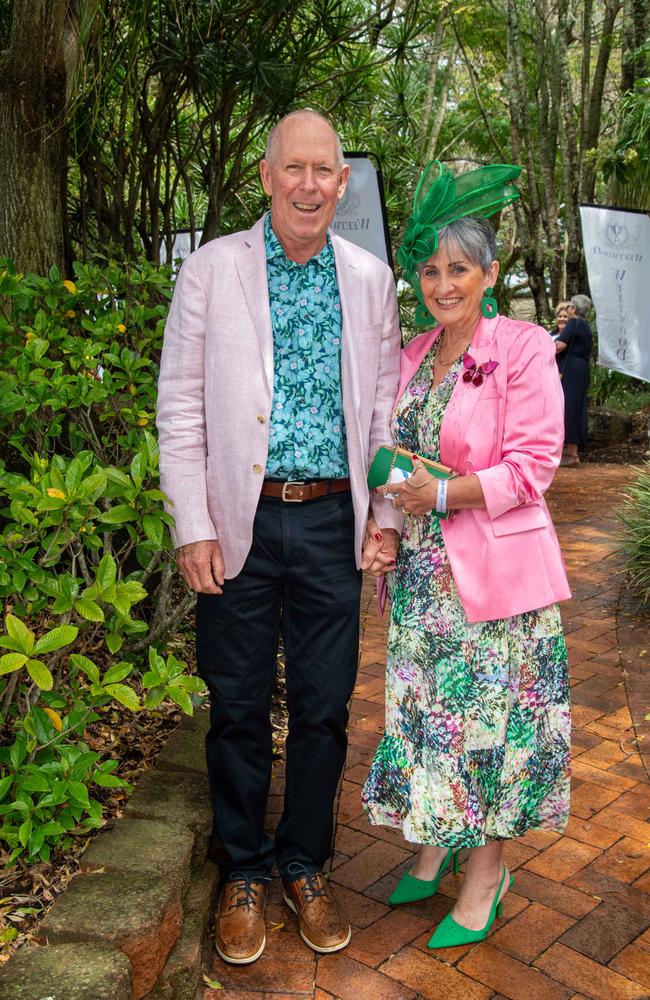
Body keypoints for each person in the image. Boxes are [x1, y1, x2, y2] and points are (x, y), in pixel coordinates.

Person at [156, 110, 401, 965]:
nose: (307, 185)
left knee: (328, 708)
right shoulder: (212, 270)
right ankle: (245, 871)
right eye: (291, 169)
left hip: (335, 518)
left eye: (322, 171)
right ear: (267, 178)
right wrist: (194, 524)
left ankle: (305, 864)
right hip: (241, 517)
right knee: (237, 705)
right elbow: (180, 406)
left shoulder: (370, 279)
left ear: (342, 184)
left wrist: (388, 518)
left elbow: (384, 415)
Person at [361, 161, 572, 949]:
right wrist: (385, 527)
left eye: (459, 269)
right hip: (421, 581)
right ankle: (435, 838)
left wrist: (441, 496)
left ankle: (488, 873)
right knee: (427, 721)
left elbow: (532, 467)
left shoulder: (519, 346)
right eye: (430, 268)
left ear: (488, 273)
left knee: (488, 727)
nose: (442, 283)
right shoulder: (415, 352)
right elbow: (391, 457)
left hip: (496, 582)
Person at [556, 293, 593, 467]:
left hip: (570, 369)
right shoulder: (585, 326)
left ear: (575, 309)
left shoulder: (574, 322)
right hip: (582, 369)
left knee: (566, 406)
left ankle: (568, 454)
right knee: (577, 407)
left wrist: (539, 347)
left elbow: (560, 345)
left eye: (570, 307)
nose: (568, 309)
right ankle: (572, 452)